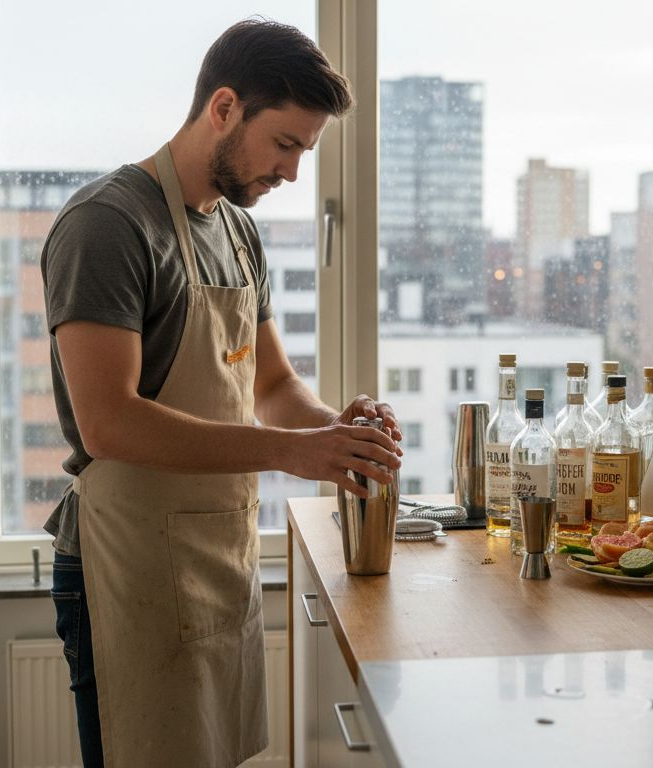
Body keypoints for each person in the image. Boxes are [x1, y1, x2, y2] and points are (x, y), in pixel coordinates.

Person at [41, 19, 400, 767]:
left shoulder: (238, 231)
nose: (295, 174)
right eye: (287, 145)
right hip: (124, 567)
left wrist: (339, 433)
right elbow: (109, 423)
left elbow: (272, 385)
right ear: (225, 107)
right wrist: (295, 453)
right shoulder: (108, 224)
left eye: (306, 150)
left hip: (213, 562)